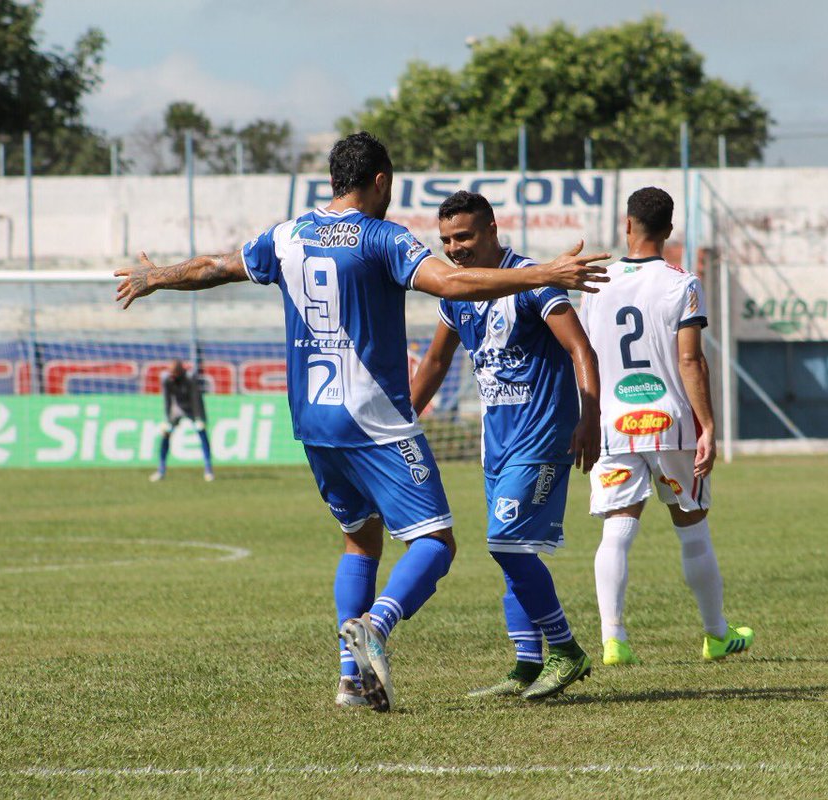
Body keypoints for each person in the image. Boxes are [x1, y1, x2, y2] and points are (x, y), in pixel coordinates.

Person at [115, 132, 609, 712]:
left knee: (360, 539)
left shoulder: (287, 235)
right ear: (380, 181)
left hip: (312, 422)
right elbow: (451, 284)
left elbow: (215, 266)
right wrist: (545, 272)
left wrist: (157, 276)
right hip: (373, 419)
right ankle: (376, 625)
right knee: (436, 542)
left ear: (332, 180)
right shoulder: (381, 237)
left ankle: (351, 681)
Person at [410, 191, 601, 701]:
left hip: (544, 436)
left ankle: (566, 650)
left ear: (492, 229)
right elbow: (435, 362)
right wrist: (402, 418)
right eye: (447, 240)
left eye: (465, 236)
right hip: (497, 444)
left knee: (505, 543)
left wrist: (591, 418)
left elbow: (581, 349)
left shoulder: (534, 282)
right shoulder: (458, 294)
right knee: (511, 549)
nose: (455, 248)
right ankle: (526, 663)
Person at [579, 186, 753, 666]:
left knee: (617, 528)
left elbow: (584, 354)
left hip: (613, 423)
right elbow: (690, 359)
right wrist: (709, 426)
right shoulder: (683, 283)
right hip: (670, 423)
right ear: (669, 230)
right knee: (692, 525)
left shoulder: (596, 284)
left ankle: (614, 640)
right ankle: (716, 634)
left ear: (627, 225)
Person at [149, 358, 215, 482]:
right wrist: (167, 419)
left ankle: (208, 469)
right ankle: (161, 470)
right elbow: (167, 400)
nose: (172, 375)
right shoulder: (166, 379)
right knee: (166, 434)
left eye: (174, 373)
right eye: (170, 373)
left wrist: (198, 418)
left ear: (180, 372)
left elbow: (195, 398)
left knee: (202, 432)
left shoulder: (190, 378)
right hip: (177, 407)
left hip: (193, 408)